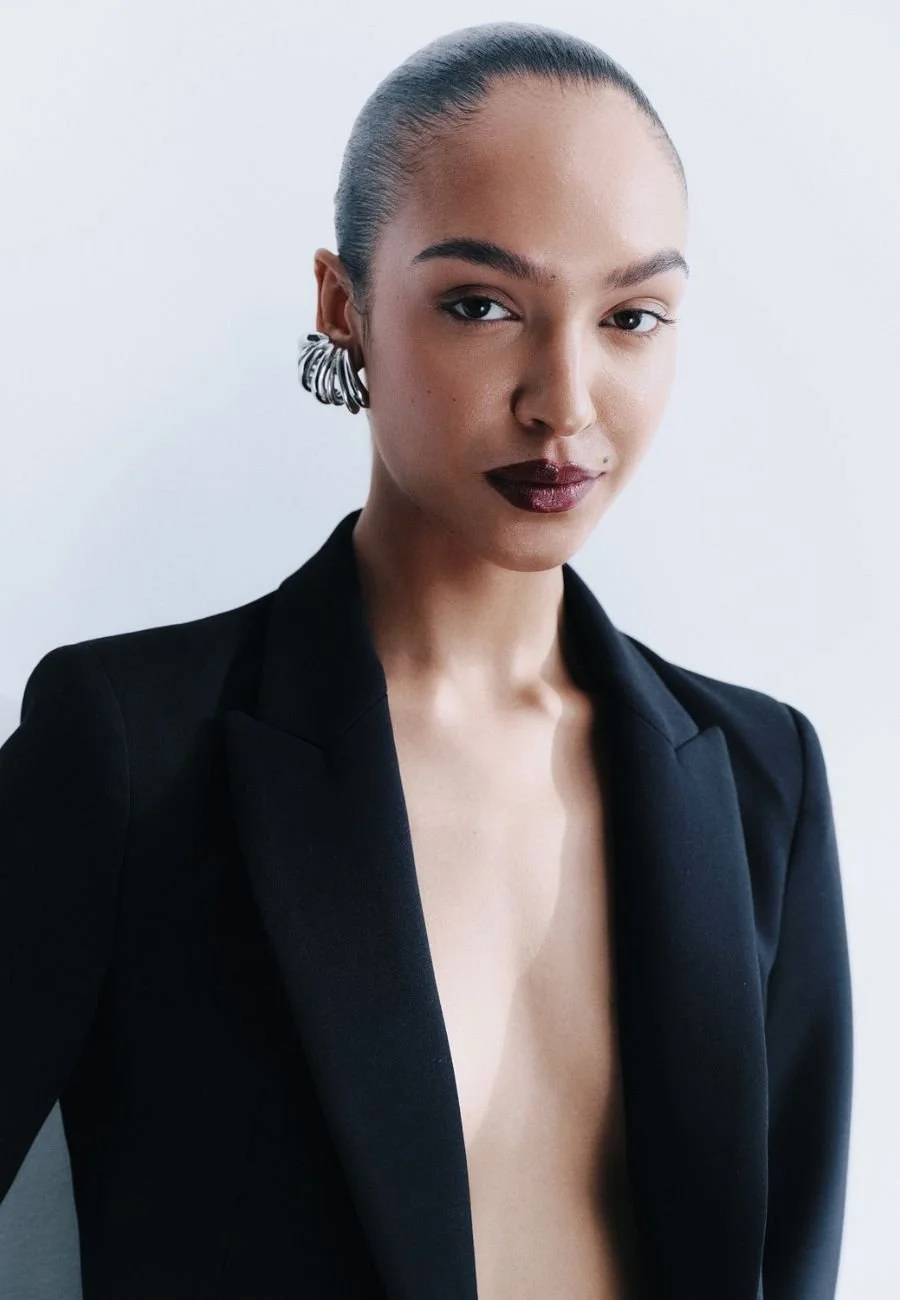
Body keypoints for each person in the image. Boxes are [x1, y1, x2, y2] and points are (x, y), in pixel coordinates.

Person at [0, 20, 852, 1300]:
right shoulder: (130, 746)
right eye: (482, 305)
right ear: (344, 303)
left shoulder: (758, 777)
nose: (565, 399)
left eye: (632, 315)